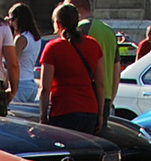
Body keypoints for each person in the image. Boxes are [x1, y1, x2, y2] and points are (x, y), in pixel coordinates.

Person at [36, 1, 100, 134]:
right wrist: (100, 115)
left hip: (64, 110)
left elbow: (45, 88)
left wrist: (43, 116)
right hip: (90, 110)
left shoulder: (53, 48)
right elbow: (101, 84)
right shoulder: (94, 45)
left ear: (58, 23)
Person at [72, 0, 115, 129]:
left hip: (86, 97)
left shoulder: (79, 29)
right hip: (106, 96)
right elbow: (116, 71)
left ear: (76, 9)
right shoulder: (109, 31)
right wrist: (109, 99)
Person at [9, 3, 40, 103]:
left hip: (20, 84)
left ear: (20, 19)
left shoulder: (21, 39)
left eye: (12, 19)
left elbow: (12, 61)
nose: (11, 22)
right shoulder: (36, 38)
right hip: (31, 83)